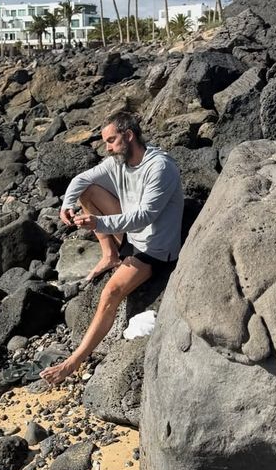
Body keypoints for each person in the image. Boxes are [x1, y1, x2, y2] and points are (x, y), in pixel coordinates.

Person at [40, 112, 183, 386]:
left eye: (111, 140)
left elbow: (145, 216)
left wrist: (99, 222)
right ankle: (110, 255)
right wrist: (67, 205)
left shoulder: (160, 167)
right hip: (130, 235)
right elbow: (81, 180)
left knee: (110, 292)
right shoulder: (118, 162)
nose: (107, 147)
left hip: (154, 248)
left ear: (129, 136)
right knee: (88, 192)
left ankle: (74, 361)